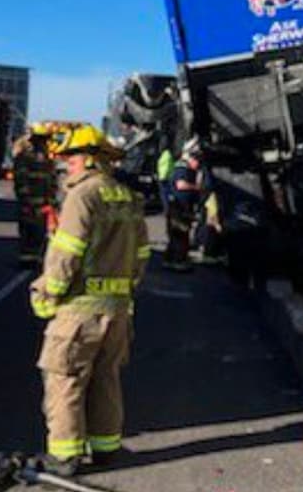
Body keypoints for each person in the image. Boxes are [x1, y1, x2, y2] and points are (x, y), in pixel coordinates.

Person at [28, 125, 149, 476]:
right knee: (105, 378)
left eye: (72, 157)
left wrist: (47, 294)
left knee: (64, 379)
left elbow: (66, 254)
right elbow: (142, 254)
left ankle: (64, 458)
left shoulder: (83, 196)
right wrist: (125, 290)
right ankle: (106, 447)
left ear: (92, 159)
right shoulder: (127, 196)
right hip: (118, 312)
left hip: (79, 311)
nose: (67, 165)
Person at [13, 123, 56, 266]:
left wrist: (52, 201)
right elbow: (21, 180)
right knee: (29, 232)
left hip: (43, 204)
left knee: (40, 233)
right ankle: (26, 260)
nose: (44, 142)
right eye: (41, 139)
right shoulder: (24, 156)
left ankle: (35, 259)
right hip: (30, 203)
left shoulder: (47, 158)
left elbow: (52, 180)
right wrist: (25, 201)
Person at [165, 137, 203, 271]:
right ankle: (179, 262)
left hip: (180, 205)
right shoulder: (183, 167)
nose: (197, 164)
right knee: (181, 234)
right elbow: (180, 185)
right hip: (179, 206)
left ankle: (170, 260)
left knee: (177, 235)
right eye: (196, 160)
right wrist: (197, 187)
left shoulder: (185, 167)